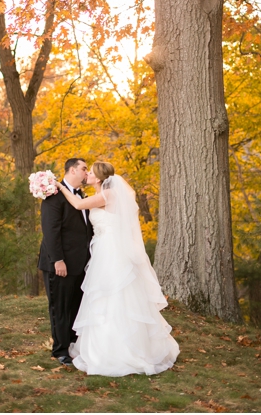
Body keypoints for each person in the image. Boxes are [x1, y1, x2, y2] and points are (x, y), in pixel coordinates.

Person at [57, 161, 180, 376]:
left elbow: (77, 205)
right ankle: (102, 344)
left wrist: (60, 188)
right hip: (103, 249)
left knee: (114, 294)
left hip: (111, 251)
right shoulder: (103, 194)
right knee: (104, 296)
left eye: (91, 173)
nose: (88, 175)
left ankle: (120, 351)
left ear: (99, 177)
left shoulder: (109, 194)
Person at [38, 158, 93, 367]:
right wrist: (58, 260)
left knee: (75, 306)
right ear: (71, 170)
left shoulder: (80, 196)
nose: (87, 172)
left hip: (80, 263)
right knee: (59, 307)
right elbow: (50, 232)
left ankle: (71, 344)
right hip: (60, 264)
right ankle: (60, 351)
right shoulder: (53, 196)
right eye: (84, 169)